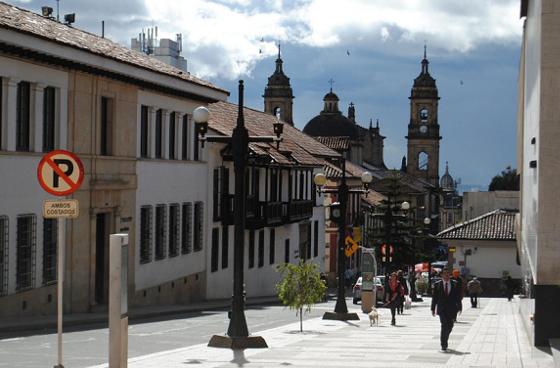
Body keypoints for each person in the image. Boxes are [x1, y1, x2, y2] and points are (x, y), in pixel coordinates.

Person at [431, 268, 462, 352]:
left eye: (448, 273)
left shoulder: (455, 284)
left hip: (452, 309)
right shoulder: (437, 284)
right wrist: (433, 308)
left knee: (450, 326)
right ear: (442, 275)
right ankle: (443, 344)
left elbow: (458, 297)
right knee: (444, 325)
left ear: (450, 275)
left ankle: (445, 338)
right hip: (442, 309)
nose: (446, 275)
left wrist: (460, 307)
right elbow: (434, 298)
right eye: (444, 274)